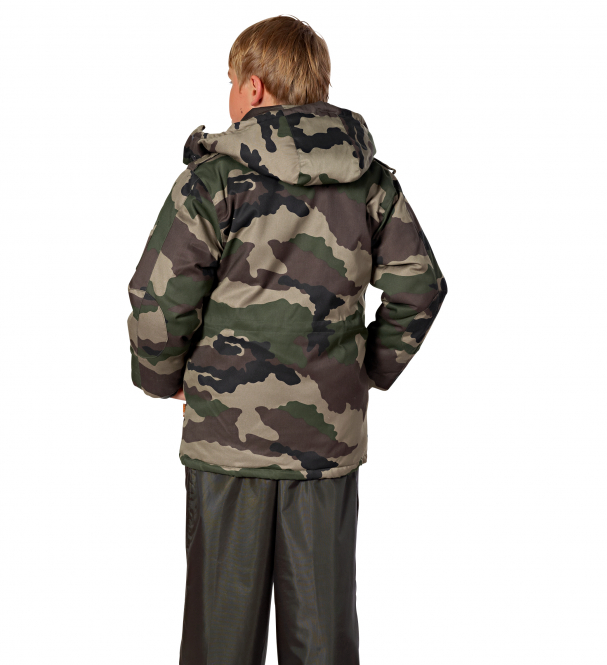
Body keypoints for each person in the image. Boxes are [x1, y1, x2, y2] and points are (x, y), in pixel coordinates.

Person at [127, 14, 448, 665]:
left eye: (229, 81)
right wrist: (364, 371)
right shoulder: (371, 183)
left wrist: (163, 380)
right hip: (325, 443)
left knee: (220, 636)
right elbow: (419, 287)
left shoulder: (213, 180)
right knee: (322, 635)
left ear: (251, 87)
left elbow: (158, 299)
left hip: (227, 439)